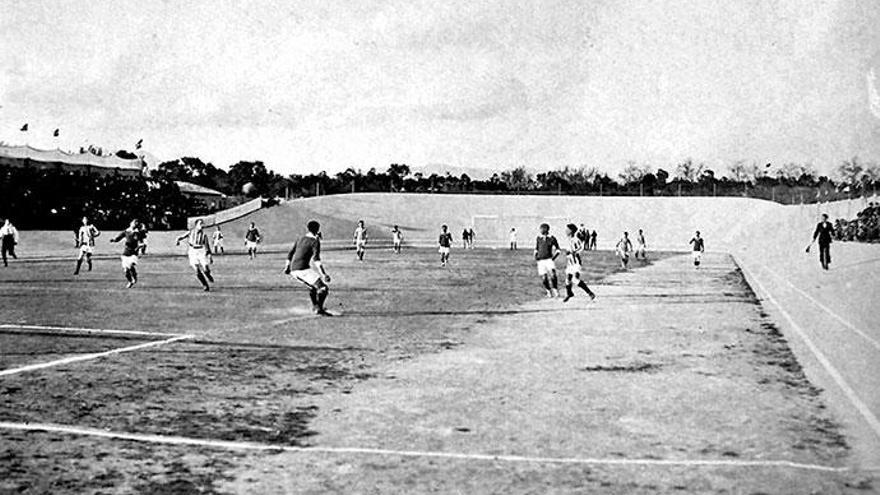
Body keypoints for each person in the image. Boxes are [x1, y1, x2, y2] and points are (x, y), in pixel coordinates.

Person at [284, 220, 332, 316]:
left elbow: (290, 253)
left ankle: (315, 307)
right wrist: (324, 274)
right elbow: (316, 259)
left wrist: (287, 267)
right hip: (302, 269)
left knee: (313, 287)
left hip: (294, 270)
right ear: (318, 229)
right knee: (323, 288)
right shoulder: (315, 241)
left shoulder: (300, 238)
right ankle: (319, 309)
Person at [176, 219, 215, 291]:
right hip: (192, 251)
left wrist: (209, 256)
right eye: (200, 224)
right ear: (196, 225)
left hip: (201, 251)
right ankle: (205, 285)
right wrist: (178, 240)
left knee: (205, 268)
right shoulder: (191, 232)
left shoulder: (204, 235)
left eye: (202, 224)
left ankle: (208, 275)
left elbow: (207, 246)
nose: (202, 225)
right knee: (197, 270)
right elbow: (182, 236)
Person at [563, 223, 596, 302]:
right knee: (568, 280)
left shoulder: (575, 240)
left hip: (576, 263)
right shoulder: (568, 240)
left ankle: (590, 293)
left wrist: (573, 252)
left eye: (567, 229)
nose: (565, 231)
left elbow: (580, 248)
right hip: (570, 263)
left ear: (571, 231)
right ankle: (569, 293)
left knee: (575, 279)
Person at [110, 219, 145, 288]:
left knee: (131, 265)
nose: (135, 224)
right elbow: (118, 238)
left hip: (134, 253)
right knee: (126, 270)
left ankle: (134, 277)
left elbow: (142, 243)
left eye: (136, 223)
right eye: (134, 223)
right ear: (131, 223)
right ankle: (130, 281)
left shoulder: (138, 233)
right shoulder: (126, 232)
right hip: (126, 253)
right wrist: (114, 240)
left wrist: (140, 249)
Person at [535, 223, 560, 298]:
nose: (541, 230)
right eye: (540, 229)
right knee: (544, 278)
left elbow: (558, 250)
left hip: (549, 260)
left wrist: (553, 258)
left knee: (553, 275)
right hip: (541, 261)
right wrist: (536, 256)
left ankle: (555, 290)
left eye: (542, 229)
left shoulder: (552, 238)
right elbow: (536, 248)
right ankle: (548, 291)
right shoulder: (538, 238)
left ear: (546, 229)